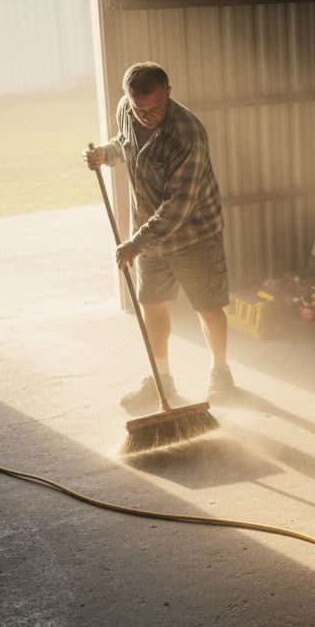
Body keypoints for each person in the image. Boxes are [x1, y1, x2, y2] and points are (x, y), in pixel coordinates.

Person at [83, 62, 234, 411]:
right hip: (149, 233)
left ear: (168, 92)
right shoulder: (128, 109)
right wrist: (106, 154)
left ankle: (220, 372)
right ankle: (161, 379)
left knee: (208, 306)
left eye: (154, 109)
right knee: (151, 303)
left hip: (195, 232)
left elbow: (178, 206)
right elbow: (125, 143)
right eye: (139, 109)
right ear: (128, 99)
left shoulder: (188, 134)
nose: (146, 117)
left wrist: (137, 242)